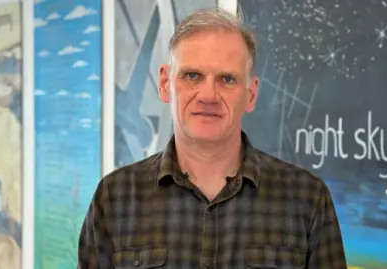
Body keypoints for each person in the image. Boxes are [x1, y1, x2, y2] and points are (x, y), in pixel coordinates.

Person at [77, 7, 347, 269]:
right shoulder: (114, 198)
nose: (208, 95)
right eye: (192, 75)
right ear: (164, 83)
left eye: (227, 79)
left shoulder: (307, 199)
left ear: (251, 94)